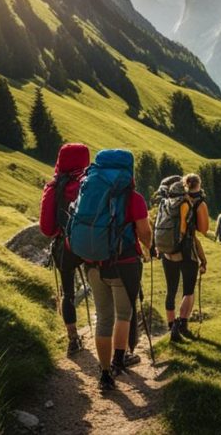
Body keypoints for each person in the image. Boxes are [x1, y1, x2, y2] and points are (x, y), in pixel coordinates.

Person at [82, 159, 153, 392]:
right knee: (123, 313)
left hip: (93, 263)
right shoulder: (134, 198)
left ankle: (104, 375)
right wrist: (148, 247)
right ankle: (118, 362)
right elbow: (144, 232)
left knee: (103, 317)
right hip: (124, 263)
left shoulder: (89, 190)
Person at [38, 143, 89, 355]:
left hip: (64, 246)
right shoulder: (90, 184)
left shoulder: (53, 187)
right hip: (91, 244)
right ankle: (111, 339)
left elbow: (46, 228)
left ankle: (73, 338)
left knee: (67, 293)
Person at [161, 173, 209, 342]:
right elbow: (203, 229)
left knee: (171, 290)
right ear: (199, 184)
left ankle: (170, 327)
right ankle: (182, 324)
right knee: (188, 290)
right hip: (187, 249)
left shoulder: (169, 201)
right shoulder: (197, 203)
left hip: (168, 250)